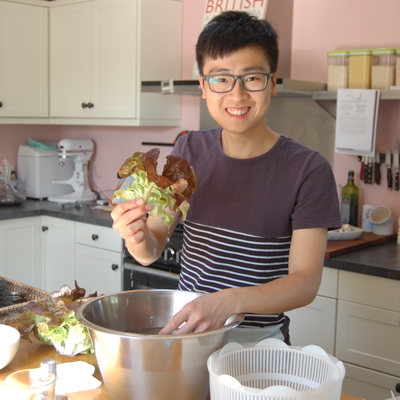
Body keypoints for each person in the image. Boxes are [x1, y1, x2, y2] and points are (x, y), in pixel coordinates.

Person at [111, 11, 341, 344]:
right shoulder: (188, 149)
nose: (237, 95)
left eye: (252, 78)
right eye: (221, 79)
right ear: (203, 87)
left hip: (259, 344)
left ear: (272, 83)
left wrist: (229, 302)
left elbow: (305, 282)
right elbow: (152, 247)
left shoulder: (309, 169)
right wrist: (137, 236)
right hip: (190, 338)